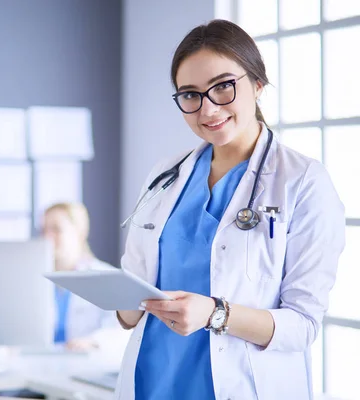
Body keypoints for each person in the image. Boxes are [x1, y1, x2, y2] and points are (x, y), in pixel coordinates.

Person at [115, 20, 345, 399]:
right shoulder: (166, 175)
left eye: (223, 87)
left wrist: (214, 314)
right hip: (153, 382)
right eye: (190, 94)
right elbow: (133, 304)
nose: (207, 108)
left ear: (257, 84)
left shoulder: (303, 182)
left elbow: (302, 325)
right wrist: (117, 297)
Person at [42, 202, 129, 357]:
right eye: (44, 230)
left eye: (56, 229)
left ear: (79, 232)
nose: (47, 236)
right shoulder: (36, 280)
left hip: (87, 366)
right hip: (42, 365)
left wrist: (92, 341)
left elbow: (123, 329)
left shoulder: (106, 277)